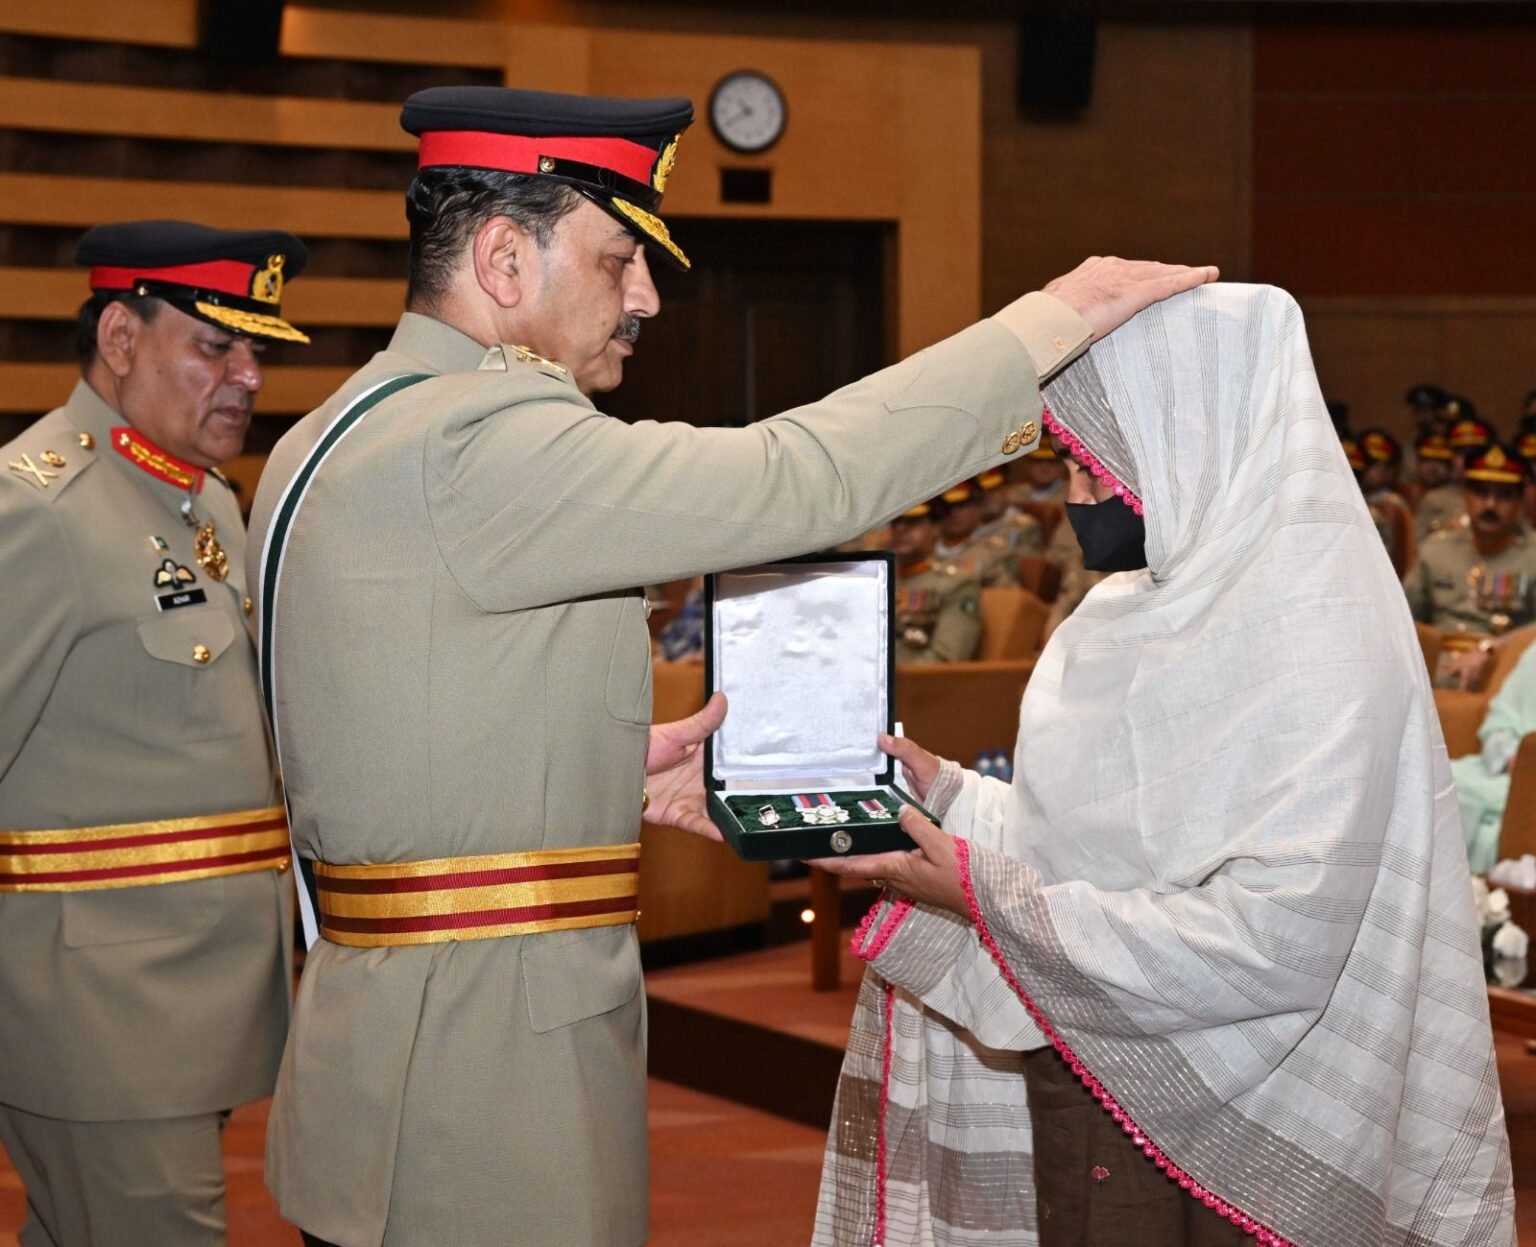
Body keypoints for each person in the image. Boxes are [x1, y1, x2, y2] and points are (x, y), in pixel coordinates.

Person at [244, 83, 1217, 1247]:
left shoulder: (335, 428)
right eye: (619, 261)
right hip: (481, 1072)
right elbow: (794, 478)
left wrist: (583, 760)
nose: (646, 297)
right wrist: (1042, 331)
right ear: (504, 259)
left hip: (392, 1044)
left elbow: (388, 705)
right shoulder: (476, 435)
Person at [810, 283, 1513, 1247]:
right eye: (1069, 465)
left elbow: (1279, 935)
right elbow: (1086, 846)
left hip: (1257, 1116)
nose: (1077, 498)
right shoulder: (1117, 613)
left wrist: (984, 893)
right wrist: (952, 798)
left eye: (1098, 465)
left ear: (1197, 441)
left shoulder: (1321, 641)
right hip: (1094, 1062)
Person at [0, 221, 306, 1246]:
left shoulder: (201, 499)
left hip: (184, 1005)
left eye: (255, 351)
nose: (247, 375)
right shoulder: (40, 507)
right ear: (121, 338)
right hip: (95, 1014)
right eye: (215, 347)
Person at [1403, 441, 1536, 639]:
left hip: (1509, 655)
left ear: (1520, 502)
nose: (1490, 505)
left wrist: (1495, 648)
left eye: (1504, 495)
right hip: (1439, 654)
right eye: (1481, 492)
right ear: (1465, 495)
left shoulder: (1532, 556)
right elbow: (1403, 617)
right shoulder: (1436, 550)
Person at [1453, 638, 1536, 872]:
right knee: (1429, 782)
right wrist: (1510, 757)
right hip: (1500, 771)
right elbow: (1500, 721)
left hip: (1528, 787)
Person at [892, 499, 983, 662]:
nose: (901, 529)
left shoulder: (956, 583)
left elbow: (946, 659)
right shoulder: (880, 578)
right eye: (895, 522)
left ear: (936, 528)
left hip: (912, 675)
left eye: (913, 522)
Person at [1411, 429, 1462, 536]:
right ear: (1416, 463)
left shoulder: (1461, 499)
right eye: (1427, 460)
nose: (1433, 468)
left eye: (1440, 462)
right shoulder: (1405, 495)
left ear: (1451, 466)